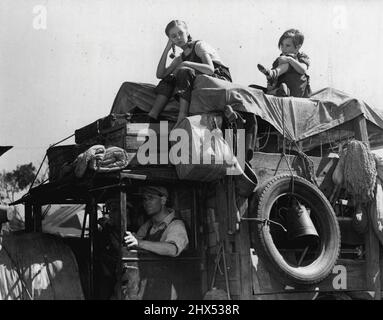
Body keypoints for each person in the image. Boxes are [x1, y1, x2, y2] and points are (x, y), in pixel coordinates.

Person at [147, 20, 232, 127]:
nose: (178, 38)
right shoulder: (181, 57)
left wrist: (186, 63)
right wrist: (167, 49)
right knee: (170, 77)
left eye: (181, 33)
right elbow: (160, 75)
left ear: (187, 33)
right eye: (173, 36)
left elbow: (210, 69)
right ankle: (153, 114)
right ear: (170, 40)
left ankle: (182, 115)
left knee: (184, 71)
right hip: (199, 77)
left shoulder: (198, 46)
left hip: (218, 77)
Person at [122, 186, 189, 300]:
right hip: (148, 286)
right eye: (144, 199)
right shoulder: (148, 225)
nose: (146, 203)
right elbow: (136, 245)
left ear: (163, 200)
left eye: (151, 198)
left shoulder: (176, 225)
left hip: (167, 289)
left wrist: (139, 242)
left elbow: (172, 249)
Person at [257, 29, 311, 98]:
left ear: (297, 47)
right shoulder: (280, 60)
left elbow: (303, 70)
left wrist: (289, 59)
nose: (283, 48)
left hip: (298, 91)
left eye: (287, 46)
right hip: (285, 89)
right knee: (253, 87)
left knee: (288, 60)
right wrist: (271, 84)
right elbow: (272, 85)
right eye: (282, 45)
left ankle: (274, 73)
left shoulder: (301, 57)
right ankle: (278, 90)